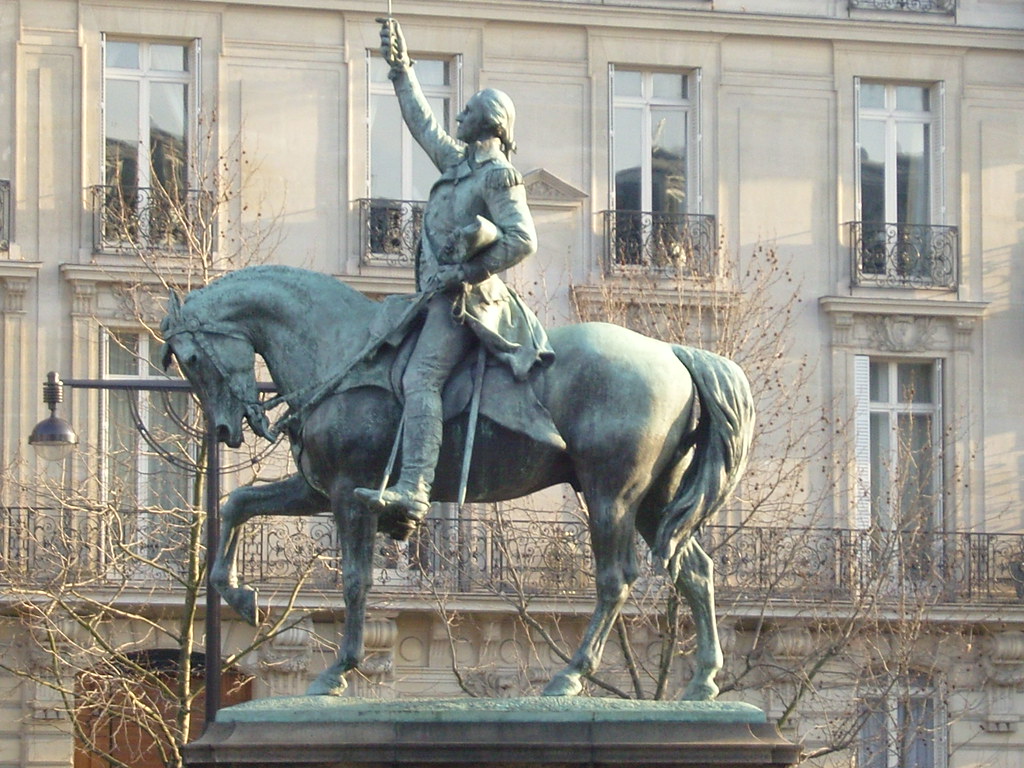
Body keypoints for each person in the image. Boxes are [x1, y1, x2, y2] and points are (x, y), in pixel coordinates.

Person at [353, 18, 554, 523]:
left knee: (421, 378)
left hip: (466, 305)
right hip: (432, 298)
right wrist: (400, 69)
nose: (456, 118)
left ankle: (413, 490)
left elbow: (522, 239)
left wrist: (465, 272)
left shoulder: (498, 176)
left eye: (464, 111)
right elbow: (421, 122)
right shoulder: (457, 165)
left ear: (486, 123)